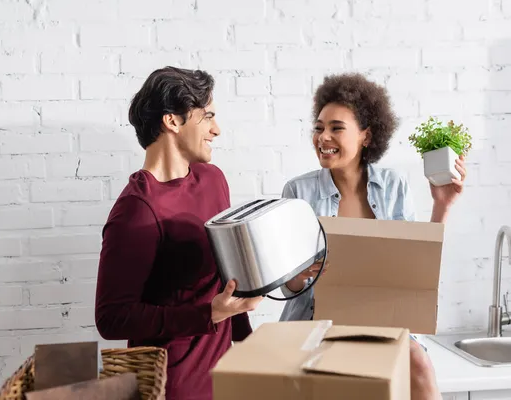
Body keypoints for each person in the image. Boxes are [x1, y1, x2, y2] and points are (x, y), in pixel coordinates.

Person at [279, 72, 466, 400]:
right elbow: (290, 289)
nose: (324, 137)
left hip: (382, 320)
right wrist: (302, 273)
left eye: (337, 128)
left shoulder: (394, 186)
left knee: (419, 364)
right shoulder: (298, 191)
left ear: (366, 135)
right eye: (319, 127)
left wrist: (442, 205)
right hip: (315, 322)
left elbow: (415, 269)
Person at [94, 66, 263, 400]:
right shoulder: (138, 209)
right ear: (172, 121)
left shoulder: (213, 179)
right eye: (207, 116)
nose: (216, 129)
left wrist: (247, 346)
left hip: (223, 373)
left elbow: (225, 280)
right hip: (172, 385)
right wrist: (209, 314)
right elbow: (111, 318)